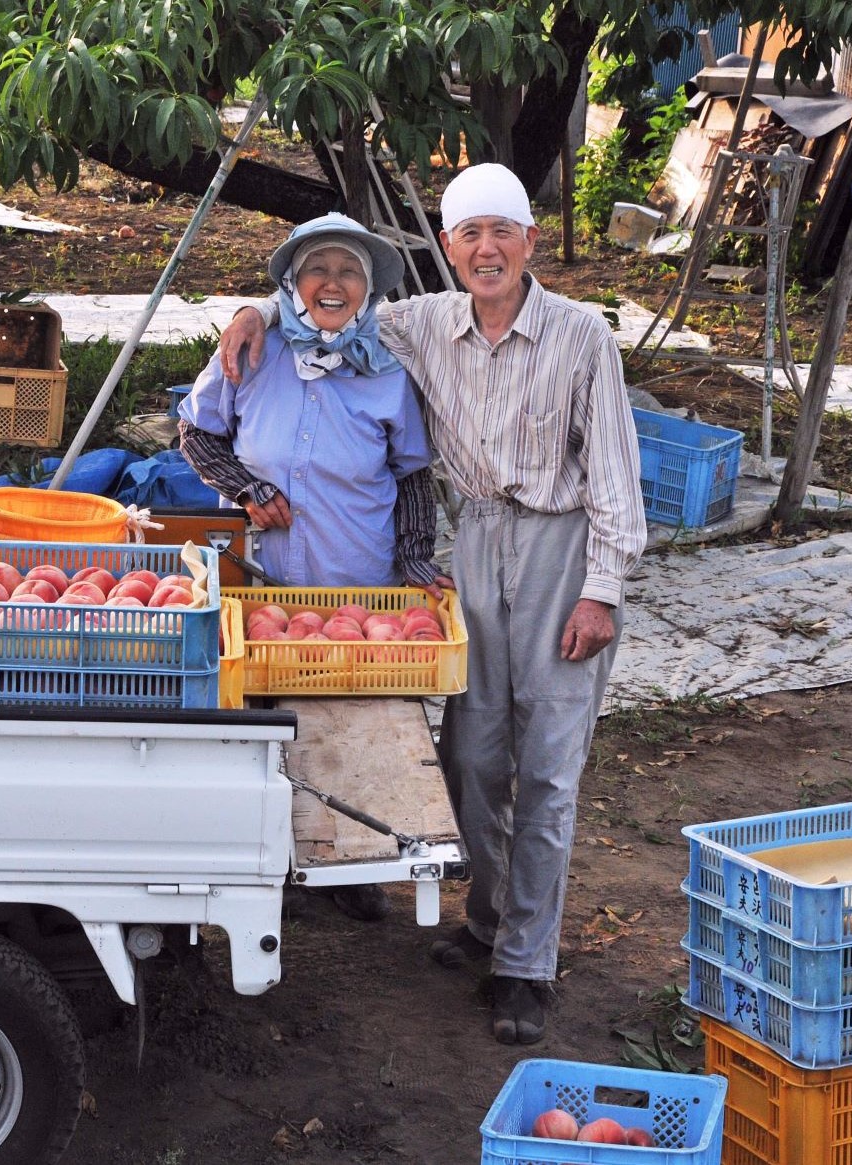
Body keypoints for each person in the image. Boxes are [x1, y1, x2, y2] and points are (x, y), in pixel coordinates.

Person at [218, 165, 646, 1044]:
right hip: (477, 546)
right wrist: (256, 310)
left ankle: (527, 965)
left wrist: (602, 590)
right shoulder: (420, 325)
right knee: (472, 757)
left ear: (531, 241)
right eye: (467, 235)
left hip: (564, 548)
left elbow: (613, 473)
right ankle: (490, 921)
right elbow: (324, 299)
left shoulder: (580, 335)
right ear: (447, 249)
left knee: (550, 766)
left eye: (502, 231)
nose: (485, 250)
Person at [179, 212, 449, 923]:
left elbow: (413, 474)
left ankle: (351, 862)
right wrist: (246, 488)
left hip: (351, 569)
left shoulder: (389, 370)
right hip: (262, 569)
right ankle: (263, 862)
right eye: (318, 269)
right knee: (257, 712)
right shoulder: (254, 349)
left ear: (367, 290)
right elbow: (197, 431)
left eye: (349, 271)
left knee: (347, 716)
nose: (333, 283)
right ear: (293, 284)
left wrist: (417, 556)